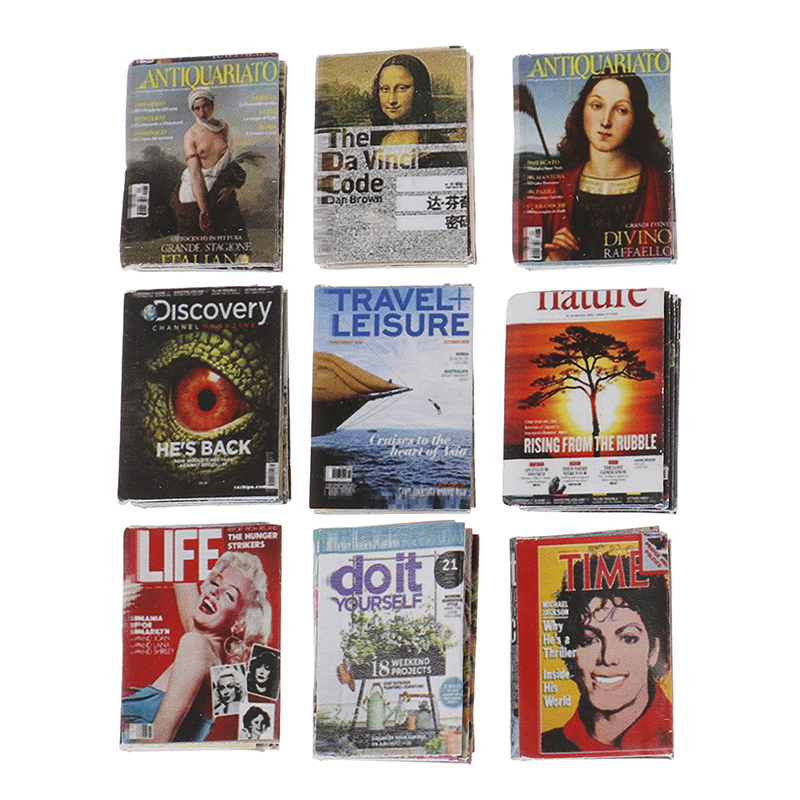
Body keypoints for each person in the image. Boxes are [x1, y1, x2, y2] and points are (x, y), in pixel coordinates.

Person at [519, 71, 672, 262]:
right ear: (582, 109)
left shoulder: (661, 185)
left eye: (621, 110)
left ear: (637, 118)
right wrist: (554, 259)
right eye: (597, 106)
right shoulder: (552, 189)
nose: (605, 121)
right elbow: (525, 254)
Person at [122, 551, 271, 743]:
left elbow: (158, 738)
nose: (213, 592)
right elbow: (181, 577)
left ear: (240, 623)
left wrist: (124, 729)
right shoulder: (220, 664)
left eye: (229, 595)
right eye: (215, 583)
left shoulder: (195, 646)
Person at [541, 553, 672, 753]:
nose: (607, 658)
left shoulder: (676, 736)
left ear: (654, 651)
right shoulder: (545, 746)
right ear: (571, 652)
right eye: (588, 640)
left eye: (628, 638)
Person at [170, 88, 248, 239]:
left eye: (205, 105)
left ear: (212, 104)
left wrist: (230, 186)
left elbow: (229, 163)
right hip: (197, 190)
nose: (202, 112)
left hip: (219, 184)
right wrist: (204, 209)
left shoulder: (224, 128)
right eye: (196, 108)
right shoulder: (190, 135)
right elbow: (195, 174)